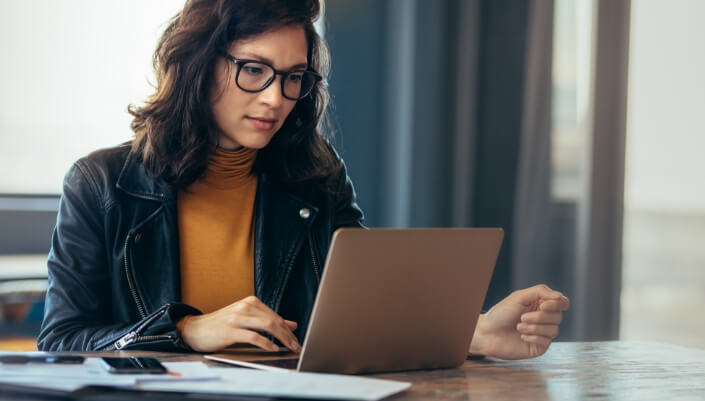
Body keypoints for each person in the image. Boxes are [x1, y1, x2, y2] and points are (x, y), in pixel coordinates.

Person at [37, 0, 570, 360]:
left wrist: (473, 332)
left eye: (294, 77)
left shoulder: (315, 175)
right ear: (198, 64)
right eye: (254, 69)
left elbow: (363, 313)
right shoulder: (102, 184)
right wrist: (184, 331)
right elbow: (61, 342)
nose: (275, 98)